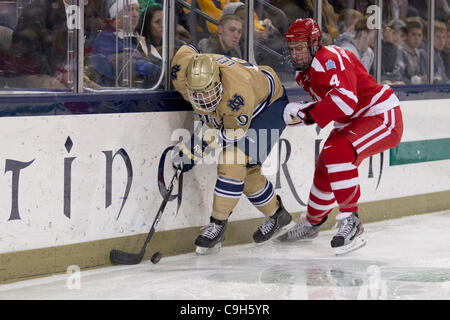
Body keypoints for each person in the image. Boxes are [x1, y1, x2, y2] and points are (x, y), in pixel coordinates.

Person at [278, 18, 403, 256]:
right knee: (326, 163)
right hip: (356, 119)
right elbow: (331, 101)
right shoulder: (305, 73)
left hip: (381, 115)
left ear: (314, 44)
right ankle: (312, 222)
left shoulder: (330, 58)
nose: (295, 53)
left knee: (336, 152)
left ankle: (351, 221)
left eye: (300, 48)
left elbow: (345, 102)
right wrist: (307, 109)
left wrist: (305, 113)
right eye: (292, 48)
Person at [170, 44, 294, 254]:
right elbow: (187, 48)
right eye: (197, 94)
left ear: (218, 81)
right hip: (248, 93)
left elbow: (230, 133)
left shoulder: (237, 95)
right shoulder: (180, 71)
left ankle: (217, 225)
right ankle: (277, 215)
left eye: (209, 92)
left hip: (268, 104)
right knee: (248, 174)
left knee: (232, 161)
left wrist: (196, 149)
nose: (204, 100)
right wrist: (194, 150)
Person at [90, 0, 161, 87]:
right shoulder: (106, 38)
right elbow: (127, 62)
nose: (135, 14)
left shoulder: (138, 39)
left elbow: (157, 60)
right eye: (129, 10)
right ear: (116, 15)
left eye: (137, 9)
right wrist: (158, 71)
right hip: (117, 96)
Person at [394, 19, 427, 84]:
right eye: (413, 34)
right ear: (406, 35)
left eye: (419, 35)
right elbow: (398, 75)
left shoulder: (420, 53)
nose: (416, 38)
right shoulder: (399, 52)